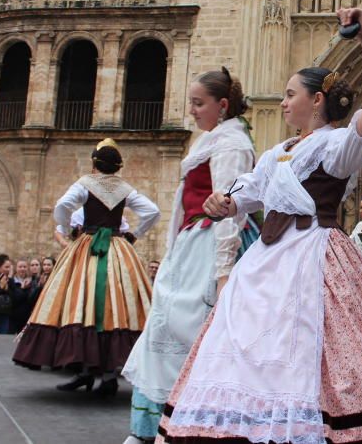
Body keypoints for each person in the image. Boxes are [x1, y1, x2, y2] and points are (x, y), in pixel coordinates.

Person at [159, 7, 362, 443]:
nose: (284, 102)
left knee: (322, 348)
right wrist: (222, 202)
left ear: (317, 100)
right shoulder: (276, 153)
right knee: (249, 345)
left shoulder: (336, 146)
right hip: (268, 260)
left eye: (291, 94)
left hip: (315, 252)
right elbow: (245, 194)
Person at [122, 68, 255, 444]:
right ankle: (152, 426)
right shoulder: (213, 139)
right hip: (193, 242)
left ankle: (187, 425)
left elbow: (231, 208)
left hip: (211, 245)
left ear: (222, 105)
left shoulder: (232, 144)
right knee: (166, 328)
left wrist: (223, 271)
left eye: (199, 104)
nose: (193, 111)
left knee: (191, 330)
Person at [12, 138, 160, 397]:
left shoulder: (85, 184)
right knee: (118, 305)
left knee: (81, 301)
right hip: (118, 248)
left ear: (95, 164)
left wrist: (69, 230)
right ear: (117, 167)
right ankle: (110, 374)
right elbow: (153, 212)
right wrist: (134, 234)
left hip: (88, 245)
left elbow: (62, 207)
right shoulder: (125, 189)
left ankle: (85, 371)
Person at [9, 258, 41, 333]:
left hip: (27, 317)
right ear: (16, 268)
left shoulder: (32, 282)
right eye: (20, 267)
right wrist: (23, 289)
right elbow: (14, 299)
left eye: (24, 267)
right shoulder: (12, 282)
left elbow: (31, 300)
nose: (22, 269)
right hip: (13, 317)